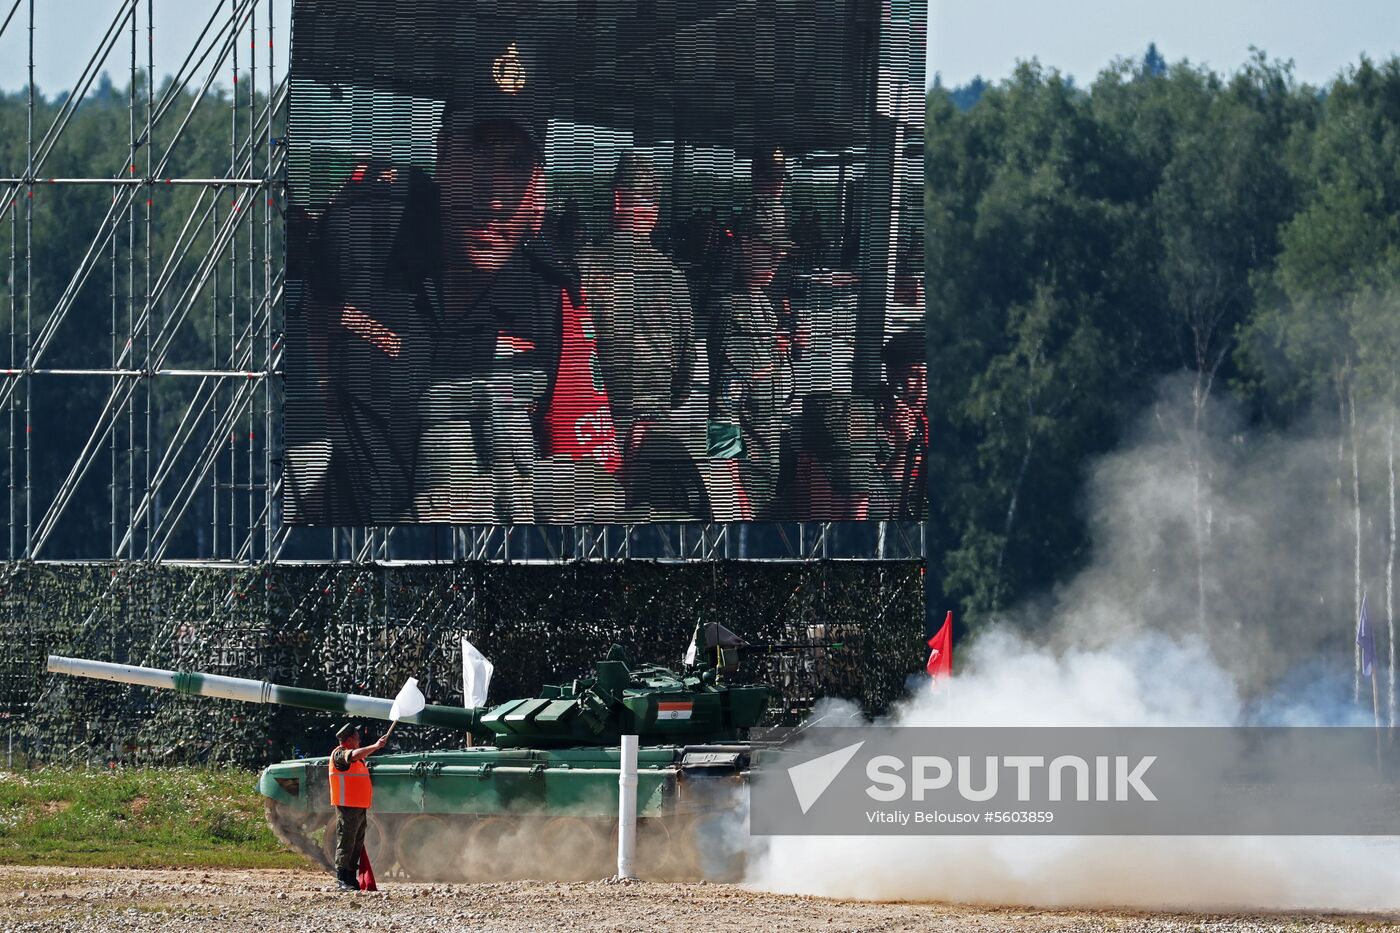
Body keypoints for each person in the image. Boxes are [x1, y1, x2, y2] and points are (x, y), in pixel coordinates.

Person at [289, 37, 620, 524]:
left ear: (538, 188)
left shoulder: (553, 301)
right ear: (442, 158)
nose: (495, 195)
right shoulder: (362, 236)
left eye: (517, 165)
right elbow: (314, 310)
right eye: (479, 155)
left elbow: (588, 457)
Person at [576, 151, 705, 516]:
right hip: (656, 429)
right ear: (656, 209)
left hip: (597, 429)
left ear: (617, 199)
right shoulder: (673, 277)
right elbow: (686, 366)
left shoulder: (584, 265)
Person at [708, 201, 796, 519]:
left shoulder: (764, 304)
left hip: (768, 447)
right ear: (744, 245)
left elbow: (767, 375)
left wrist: (785, 352)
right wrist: (729, 482)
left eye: (780, 251)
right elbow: (722, 402)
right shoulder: (731, 309)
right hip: (746, 462)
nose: (776, 258)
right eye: (768, 248)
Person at [873, 327, 928, 519]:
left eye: (925, 375)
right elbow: (881, 500)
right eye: (914, 374)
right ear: (892, 376)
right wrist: (903, 447)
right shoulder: (875, 418)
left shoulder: (924, 417)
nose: (922, 384)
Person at [329, 722, 387, 891]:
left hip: (359, 806)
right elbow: (352, 756)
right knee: (346, 840)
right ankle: (342, 878)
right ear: (348, 740)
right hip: (346, 806)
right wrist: (375, 746)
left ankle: (351, 877)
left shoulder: (358, 757)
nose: (359, 739)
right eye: (356, 737)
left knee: (356, 842)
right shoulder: (339, 754)